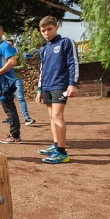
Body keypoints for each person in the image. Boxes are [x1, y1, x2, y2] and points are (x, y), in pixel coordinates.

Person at [35, 16, 79, 164]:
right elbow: (42, 70)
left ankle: (61, 152)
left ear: (56, 27)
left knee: (57, 115)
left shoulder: (66, 42)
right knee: (51, 117)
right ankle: (55, 145)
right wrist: (39, 89)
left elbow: (73, 63)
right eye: (43, 31)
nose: (46, 33)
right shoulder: (44, 49)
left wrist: (72, 83)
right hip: (47, 86)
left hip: (60, 85)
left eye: (49, 29)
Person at [1, 39, 35, 126]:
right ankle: (10, 118)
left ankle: (27, 118)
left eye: (9, 45)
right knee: (7, 99)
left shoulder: (17, 54)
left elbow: (23, 66)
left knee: (20, 98)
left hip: (16, 78)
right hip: (6, 80)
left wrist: (12, 68)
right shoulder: (2, 55)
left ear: (12, 46)